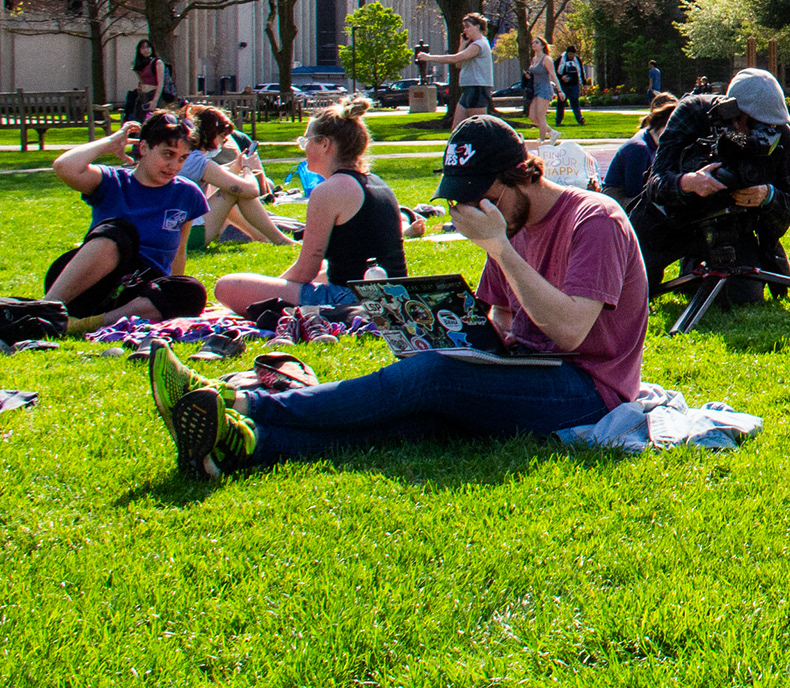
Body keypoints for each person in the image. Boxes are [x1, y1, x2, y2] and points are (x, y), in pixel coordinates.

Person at [149, 114, 650, 480]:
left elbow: (570, 331)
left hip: (589, 392)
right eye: (460, 201)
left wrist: (498, 247)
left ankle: (245, 404)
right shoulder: (511, 219)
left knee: (433, 376)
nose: (473, 211)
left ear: (523, 174)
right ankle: (246, 445)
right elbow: (500, 316)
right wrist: (455, 332)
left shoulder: (594, 220)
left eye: (483, 197)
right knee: (417, 414)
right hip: (525, 373)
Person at [212, 100, 411, 313]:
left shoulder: (329, 190)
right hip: (394, 291)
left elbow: (305, 271)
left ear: (325, 144)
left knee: (228, 287)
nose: (304, 148)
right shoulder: (376, 182)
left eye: (306, 141)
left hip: (352, 297)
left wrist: (271, 287)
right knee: (323, 271)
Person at [633, 69, 790, 297]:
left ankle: (697, 269)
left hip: (730, 227)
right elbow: (655, 184)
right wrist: (688, 182)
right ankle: (690, 263)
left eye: (771, 126)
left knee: (744, 296)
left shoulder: (778, 134)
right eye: (757, 124)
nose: (765, 133)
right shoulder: (693, 113)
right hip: (676, 220)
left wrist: (767, 195)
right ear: (734, 113)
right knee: (631, 287)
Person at [45, 112, 208, 333]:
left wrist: (169, 289)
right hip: (88, 284)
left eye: (182, 158)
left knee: (191, 290)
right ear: (143, 148)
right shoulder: (112, 182)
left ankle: (87, 325)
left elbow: (179, 252)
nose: (174, 165)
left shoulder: (187, 193)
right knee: (119, 232)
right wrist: (109, 143)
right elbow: (65, 166)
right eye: (168, 154)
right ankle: (45, 310)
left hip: (138, 293)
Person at [182, 106, 297, 247]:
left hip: (178, 230)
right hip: (189, 236)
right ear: (210, 134)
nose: (223, 144)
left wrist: (237, 165)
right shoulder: (199, 162)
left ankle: (261, 236)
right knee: (234, 191)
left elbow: (217, 174)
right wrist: (247, 168)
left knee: (231, 188)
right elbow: (250, 190)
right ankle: (278, 239)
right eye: (222, 138)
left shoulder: (189, 156)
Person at [415, 13, 495, 125]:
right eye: (464, 27)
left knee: (478, 128)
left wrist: (428, 57)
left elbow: (454, 58)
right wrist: (462, 44)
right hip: (467, 89)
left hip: (478, 88)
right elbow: (458, 64)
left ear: (477, 26)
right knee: (457, 127)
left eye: (468, 26)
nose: (465, 30)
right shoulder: (472, 45)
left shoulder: (479, 44)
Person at [602, 94, 676, 208]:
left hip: (632, 195)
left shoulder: (650, 138)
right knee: (662, 210)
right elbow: (635, 192)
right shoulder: (640, 148)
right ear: (663, 126)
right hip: (616, 198)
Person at [525, 36, 560, 144]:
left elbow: (553, 75)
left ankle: (542, 140)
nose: (534, 44)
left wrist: (559, 90)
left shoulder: (546, 59)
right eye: (533, 43)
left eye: (536, 42)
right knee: (532, 116)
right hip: (535, 88)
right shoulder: (534, 59)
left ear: (542, 45)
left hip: (544, 88)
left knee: (540, 115)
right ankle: (552, 132)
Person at [129, 39, 166, 118]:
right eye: (142, 48)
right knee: (138, 121)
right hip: (142, 96)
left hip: (153, 95)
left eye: (148, 47)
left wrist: (155, 100)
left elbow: (160, 83)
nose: (146, 50)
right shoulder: (141, 64)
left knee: (154, 121)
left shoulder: (157, 62)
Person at [556, 48, 586, 126]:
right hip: (563, 86)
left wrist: (583, 83)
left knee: (575, 102)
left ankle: (579, 119)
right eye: (569, 54)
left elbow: (581, 71)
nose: (571, 56)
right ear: (567, 53)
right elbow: (554, 71)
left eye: (572, 54)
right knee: (561, 103)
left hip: (574, 85)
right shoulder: (560, 60)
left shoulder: (577, 61)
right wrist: (561, 77)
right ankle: (558, 121)